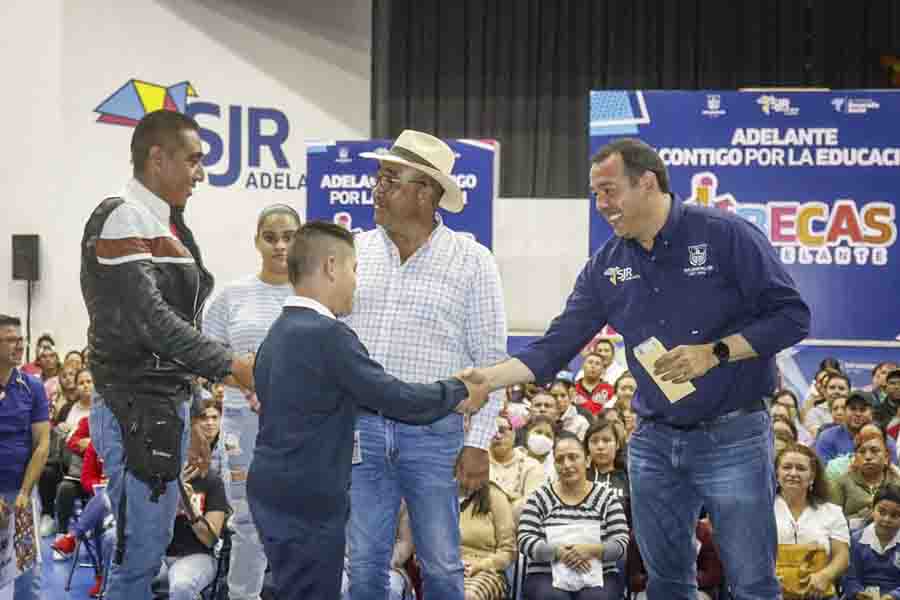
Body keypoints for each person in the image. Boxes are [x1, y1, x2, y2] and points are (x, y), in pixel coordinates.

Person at [467, 138, 811, 599]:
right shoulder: (606, 267)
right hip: (653, 441)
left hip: (733, 436)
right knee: (665, 581)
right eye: (594, 194)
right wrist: (486, 379)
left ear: (647, 183)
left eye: (609, 191)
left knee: (752, 580)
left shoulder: (725, 235)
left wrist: (716, 352)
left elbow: (792, 317)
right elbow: (554, 347)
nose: (601, 204)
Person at [246, 221, 490, 599]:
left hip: (272, 488)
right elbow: (395, 397)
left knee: (290, 587)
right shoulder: (329, 336)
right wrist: (458, 390)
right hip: (311, 494)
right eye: (353, 269)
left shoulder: (276, 334)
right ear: (330, 267)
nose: (357, 281)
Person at [80, 109, 255, 600]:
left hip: (161, 410)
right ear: (158, 158)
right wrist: (234, 366)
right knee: (138, 558)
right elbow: (152, 322)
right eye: (194, 160)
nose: (201, 173)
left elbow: (176, 327)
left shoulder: (164, 223)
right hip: (135, 409)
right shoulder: (123, 218)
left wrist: (194, 414)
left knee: (146, 551)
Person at [346, 130, 508, 600]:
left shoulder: (473, 262)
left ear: (426, 193)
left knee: (441, 565)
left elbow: (491, 363)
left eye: (390, 179)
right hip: (365, 431)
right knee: (363, 566)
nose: (377, 188)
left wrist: (478, 444)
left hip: (438, 435)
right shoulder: (355, 252)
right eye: (379, 177)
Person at [202, 203, 300, 600]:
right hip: (242, 425)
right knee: (246, 521)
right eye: (270, 237)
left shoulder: (313, 293)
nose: (279, 246)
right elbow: (207, 358)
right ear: (256, 240)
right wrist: (245, 383)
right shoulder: (231, 296)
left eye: (289, 237)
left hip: (298, 427)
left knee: (296, 521)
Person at [518, 432, 630, 600]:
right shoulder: (539, 497)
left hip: (600, 572)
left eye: (573, 457)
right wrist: (558, 552)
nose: (566, 464)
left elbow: (620, 541)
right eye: (560, 459)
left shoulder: (607, 497)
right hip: (546, 572)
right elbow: (525, 539)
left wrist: (592, 550)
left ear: (587, 460)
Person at [0, 314, 50, 600]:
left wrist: (24, 492)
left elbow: (42, 444)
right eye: (10, 340)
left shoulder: (32, 387)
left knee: (26, 575)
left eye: (21, 340)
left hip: (21, 496)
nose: (19, 346)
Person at [154, 423, 229, 600]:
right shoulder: (155, 479)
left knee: (182, 584)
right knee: (131, 576)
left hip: (196, 555)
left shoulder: (212, 482)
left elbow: (210, 540)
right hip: (156, 552)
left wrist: (188, 506)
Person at [774, 444, 849, 599]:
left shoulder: (832, 512)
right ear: (776, 473)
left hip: (819, 594)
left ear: (812, 476)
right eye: (787, 467)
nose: (793, 473)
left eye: (801, 468)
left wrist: (826, 575)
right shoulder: (762, 510)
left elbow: (842, 555)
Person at [830, 427, 900, 531]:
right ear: (855, 458)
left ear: (886, 457)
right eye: (862, 452)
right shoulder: (843, 483)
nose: (867, 457)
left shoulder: (897, 483)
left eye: (874, 451)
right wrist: (864, 516)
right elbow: (832, 523)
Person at [458, 481, 515, 600]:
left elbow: (509, 551)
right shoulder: (439, 496)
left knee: (466, 596)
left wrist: (481, 565)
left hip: (486, 569)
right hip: (447, 568)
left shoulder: (494, 495)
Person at [842, 483, 900, 600]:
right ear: (873, 510)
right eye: (882, 512)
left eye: (895, 515)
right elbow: (850, 578)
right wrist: (857, 592)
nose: (887, 519)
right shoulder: (856, 540)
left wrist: (894, 596)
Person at [816, 391, 898, 467]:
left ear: (872, 413)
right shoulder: (827, 437)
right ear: (845, 411)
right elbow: (823, 473)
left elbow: (892, 474)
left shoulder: (886, 441)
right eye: (853, 409)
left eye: (863, 410)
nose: (858, 414)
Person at [488, 414, 544, 522]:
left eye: (502, 430)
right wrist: (514, 498)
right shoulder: (476, 465)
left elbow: (532, 506)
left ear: (513, 434)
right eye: (492, 431)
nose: (498, 436)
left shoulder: (532, 465)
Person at [584, 419, 629, 503]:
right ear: (587, 446)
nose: (600, 446)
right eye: (594, 441)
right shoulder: (580, 478)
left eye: (606, 440)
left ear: (617, 445)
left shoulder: (628, 479)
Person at [805, 371, 850, 438]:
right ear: (825, 391)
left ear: (849, 392)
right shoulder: (814, 413)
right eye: (832, 388)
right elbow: (818, 437)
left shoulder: (855, 412)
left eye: (841, 388)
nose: (836, 391)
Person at [573, 351, 615, 416]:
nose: (593, 366)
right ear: (583, 366)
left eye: (597, 364)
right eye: (590, 362)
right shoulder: (573, 388)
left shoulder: (610, 389)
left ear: (603, 369)